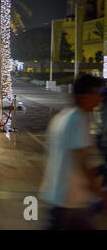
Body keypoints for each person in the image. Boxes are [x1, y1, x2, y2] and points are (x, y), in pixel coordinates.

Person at [40, 74, 107, 230]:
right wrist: (100, 193)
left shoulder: (63, 117)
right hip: (71, 200)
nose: (99, 98)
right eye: (95, 92)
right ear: (83, 96)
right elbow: (81, 162)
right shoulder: (79, 119)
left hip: (57, 196)